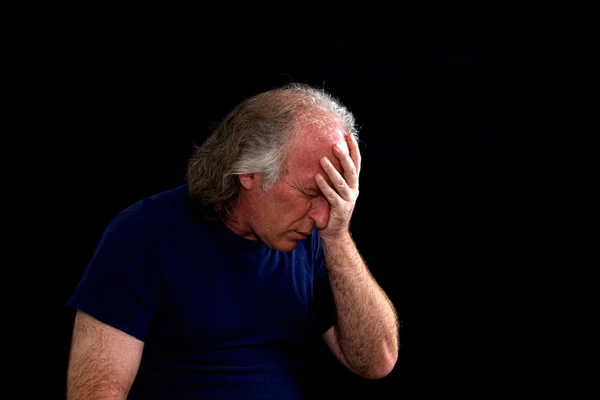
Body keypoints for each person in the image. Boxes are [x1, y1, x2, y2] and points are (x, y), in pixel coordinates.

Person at [66, 83, 400, 399]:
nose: (322, 215)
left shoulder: (318, 239)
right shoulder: (141, 234)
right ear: (248, 173)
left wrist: (339, 238)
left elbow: (375, 362)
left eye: (334, 195)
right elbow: (95, 389)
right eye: (312, 192)